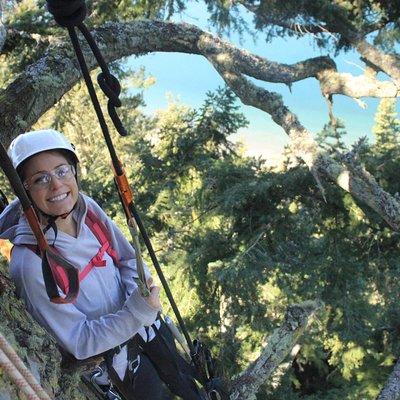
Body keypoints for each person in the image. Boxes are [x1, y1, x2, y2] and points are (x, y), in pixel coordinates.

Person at [0, 129, 203, 400]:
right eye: (40, 179)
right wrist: (135, 313)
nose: (57, 185)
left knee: (192, 388)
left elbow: (129, 259)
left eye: (62, 171)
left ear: (74, 171)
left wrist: (139, 302)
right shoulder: (30, 262)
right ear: (24, 191)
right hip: (114, 362)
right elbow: (79, 341)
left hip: (147, 327)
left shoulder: (88, 209)